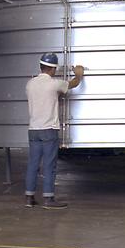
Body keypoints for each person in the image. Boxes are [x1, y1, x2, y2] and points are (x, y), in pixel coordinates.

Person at [24, 52, 84, 209]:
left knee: (33, 164)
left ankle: (29, 197)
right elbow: (73, 84)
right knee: (50, 165)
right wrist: (79, 74)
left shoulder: (30, 84)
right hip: (49, 130)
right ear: (53, 69)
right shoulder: (54, 84)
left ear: (40, 66)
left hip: (33, 129)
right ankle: (49, 199)